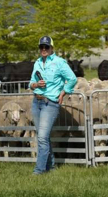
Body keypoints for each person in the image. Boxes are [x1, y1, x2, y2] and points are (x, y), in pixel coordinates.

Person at [29, 36, 77, 175]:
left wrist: (64, 92)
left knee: (42, 138)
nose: (44, 49)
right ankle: (51, 167)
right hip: (36, 102)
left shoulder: (59, 62)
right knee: (43, 137)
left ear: (52, 48)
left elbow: (72, 79)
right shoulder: (37, 62)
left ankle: (39, 171)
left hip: (50, 103)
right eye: (41, 47)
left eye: (46, 47)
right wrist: (36, 85)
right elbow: (31, 83)